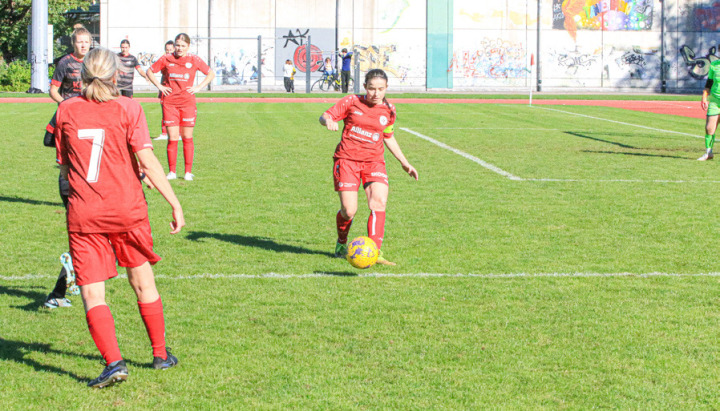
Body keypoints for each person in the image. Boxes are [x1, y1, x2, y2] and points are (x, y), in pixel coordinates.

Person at [54, 47, 185, 388]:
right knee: (142, 281)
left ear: (81, 76)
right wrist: (174, 203)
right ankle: (160, 355)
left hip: (85, 214)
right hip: (127, 210)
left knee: (93, 294)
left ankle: (114, 363)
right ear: (116, 76)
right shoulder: (129, 107)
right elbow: (148, 161)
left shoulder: (66, 110)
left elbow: (67, 166)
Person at [319, 69, 418, 265]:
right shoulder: (351, 101)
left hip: (374, 162)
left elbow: (388, 136)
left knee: (378, 202)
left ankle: (375, 251)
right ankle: (341, 243)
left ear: (386, 88)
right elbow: (324, 116)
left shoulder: (389, 110)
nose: (376, 93)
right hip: (347, 160)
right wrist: (328, 120)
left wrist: (404, 163)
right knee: (349, 210)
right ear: (365, 87)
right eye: (372, 88)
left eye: (380, 89)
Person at [42, 26, 93, 309]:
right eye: (80, 42)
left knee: (86, 237)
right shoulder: (65, 65)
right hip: (77, 180)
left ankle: (69, 281)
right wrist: (68, 106)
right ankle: (67, 280)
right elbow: (50, 138)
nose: (84, 46)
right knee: (89, 238)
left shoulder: (93, 62)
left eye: (88, 42)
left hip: (75, 176)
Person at [146, 33, 215, 181]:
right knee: (172, 138)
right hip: (170, 103)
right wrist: (159, 86)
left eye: (183, 46)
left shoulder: (193, 59)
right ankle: (172, 172)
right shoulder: (166, 59)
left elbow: (210, 73)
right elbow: (150, 71)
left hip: (187, 103)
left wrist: (198, 87)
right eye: (177, 45)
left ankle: (188, 172)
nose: (179, 48)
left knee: (187, 137)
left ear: (188, 47)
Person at [154, 40, 175, 141]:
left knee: (176, 112)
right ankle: (164, 133)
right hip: (165, 88)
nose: (169, 52)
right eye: (167, 50)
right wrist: (160, 86)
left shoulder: (178, 61)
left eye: (171, 50)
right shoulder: (163, 60)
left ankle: (177, 133)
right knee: (165, 111)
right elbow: (153, 71)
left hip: (175, 91)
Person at [699, 60, 720, 161]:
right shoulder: (714, 65)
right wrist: (704, 97)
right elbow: (709, 83)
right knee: (709, 128)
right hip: (715, 101)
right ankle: (708, 153)